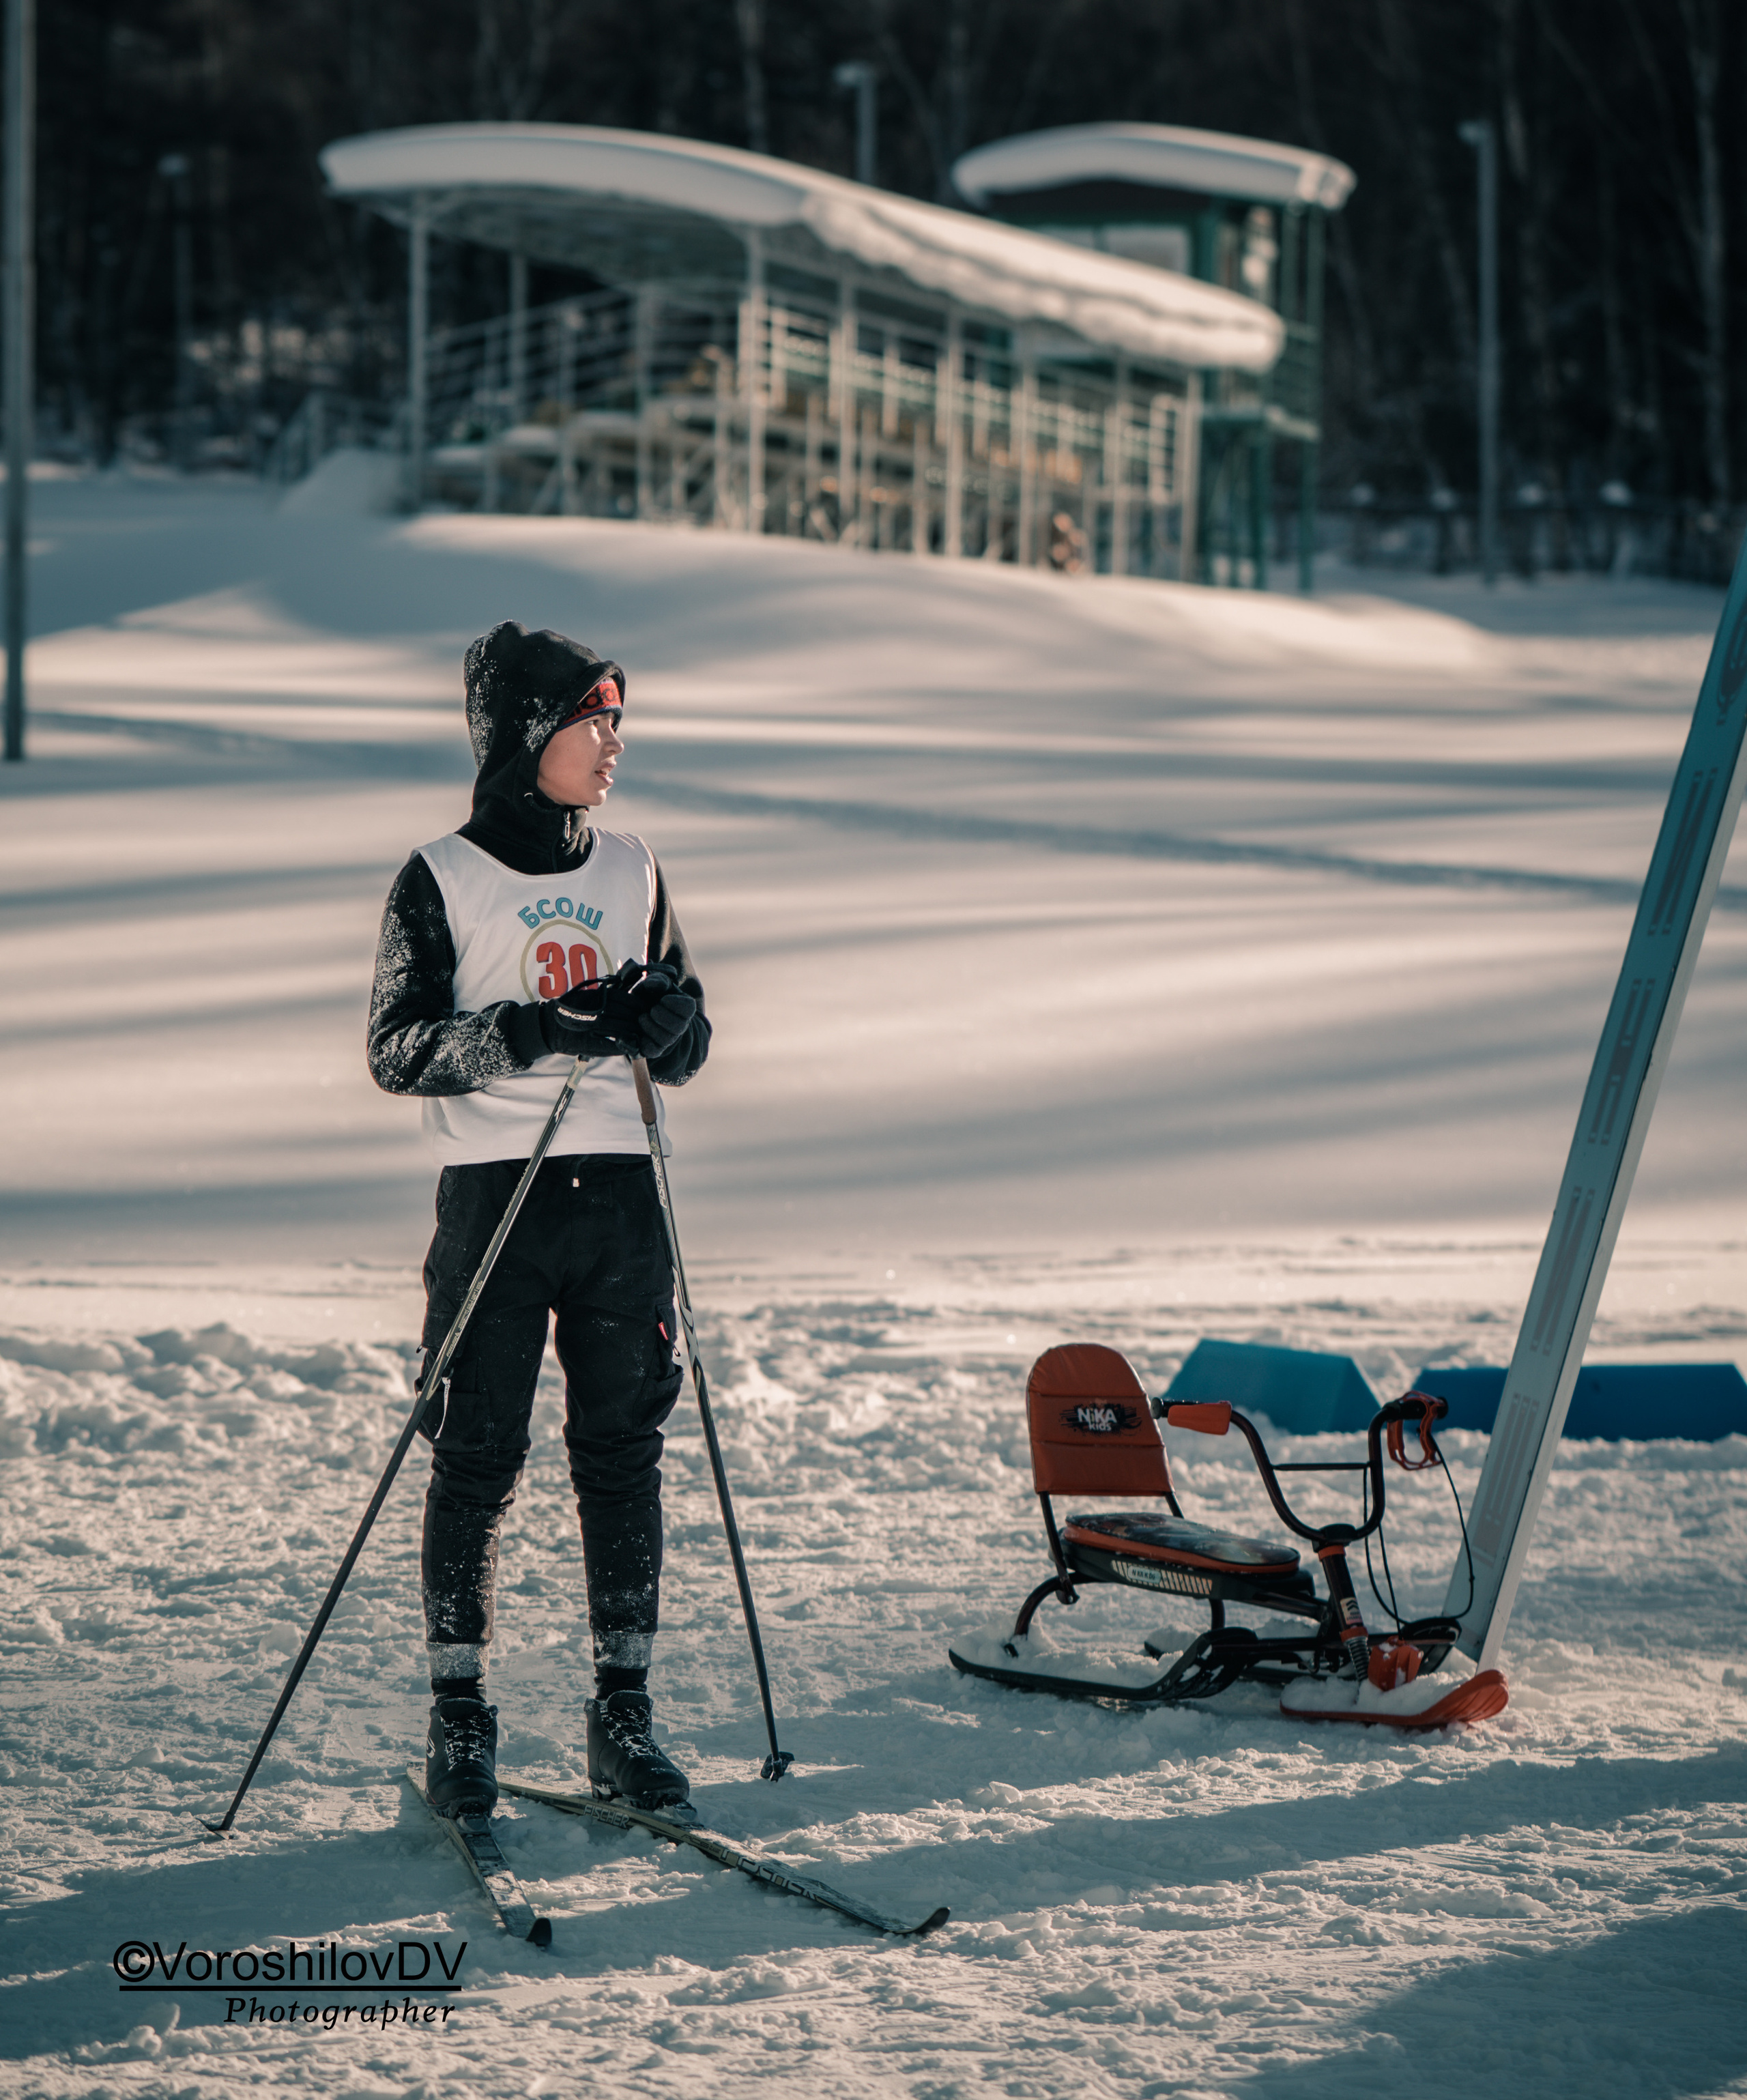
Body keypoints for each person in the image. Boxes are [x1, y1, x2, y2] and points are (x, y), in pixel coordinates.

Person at [367, 620, 710, 1819]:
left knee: (623, 1453)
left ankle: (625, 1711)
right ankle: (459, 1716)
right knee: (476, 1455)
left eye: (619, 718)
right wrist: (532, 1029)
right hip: (495, 1199)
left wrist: (665, 1026)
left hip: (619, 1194)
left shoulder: (635, 867)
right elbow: (398, 1051)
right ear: (527, 736)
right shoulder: (438, 876)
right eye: (592, 719)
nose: (614, 742)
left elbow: (695, 1038)